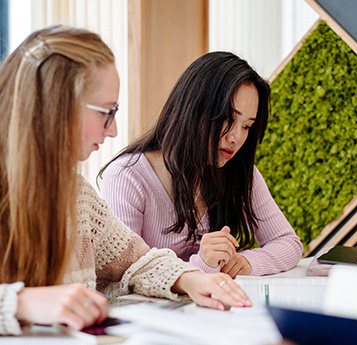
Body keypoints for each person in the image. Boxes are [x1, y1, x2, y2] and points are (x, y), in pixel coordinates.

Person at [0, 26, 252, 336]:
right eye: (107, 111)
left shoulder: (75, 194)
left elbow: (138, 260)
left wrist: (191, 278)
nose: (114, 130)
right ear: (57, 106)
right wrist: (22, 302)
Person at [99, 51, 303, 277]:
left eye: (246, 126)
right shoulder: (127, 176)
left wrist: (247, 261)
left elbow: (288, 243)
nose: (236, 137)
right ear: (193, 109)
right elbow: (125, 276)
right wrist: (203, 265)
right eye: (228, 118)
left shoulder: (239, 172)